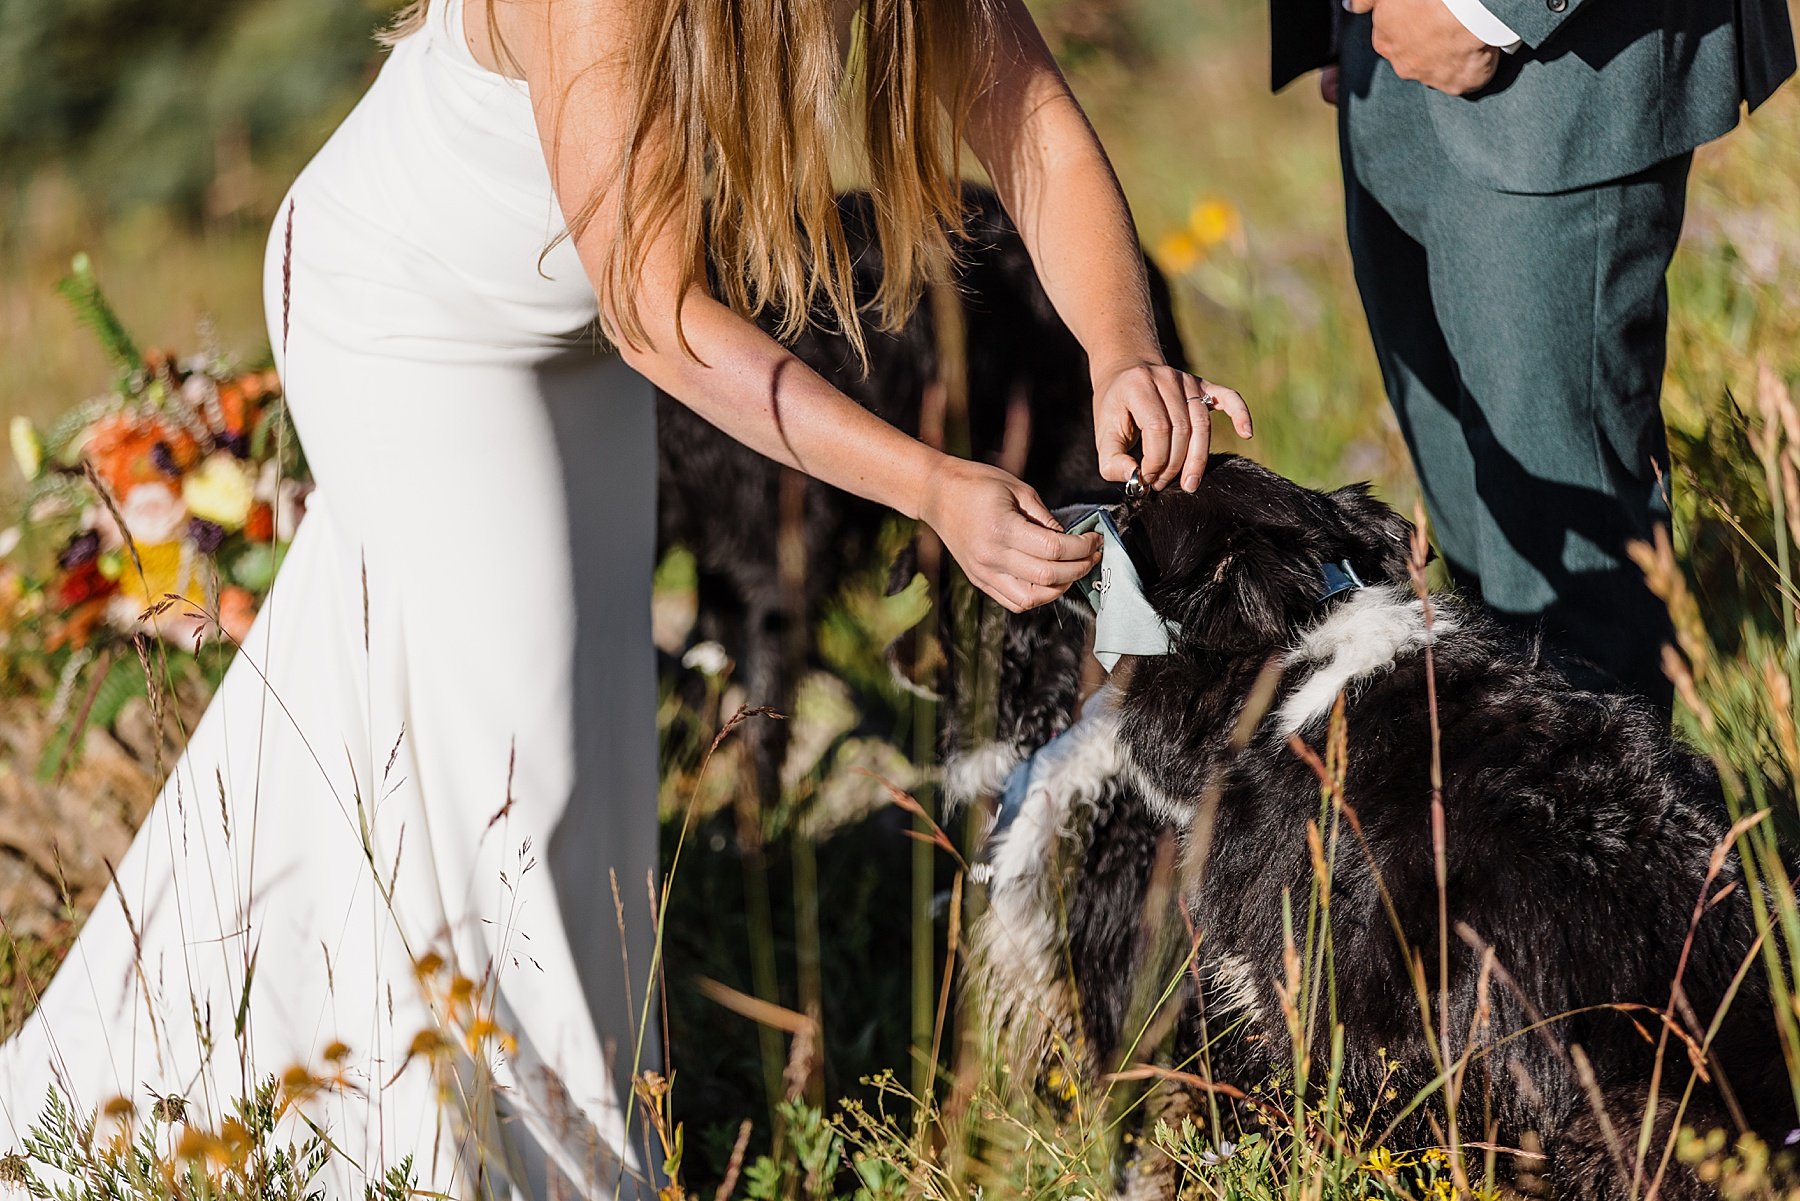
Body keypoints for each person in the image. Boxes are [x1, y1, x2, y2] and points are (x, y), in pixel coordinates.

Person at [0, 0, 1250, 1195]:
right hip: (411, 316)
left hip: (568, 335)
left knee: (577, 782)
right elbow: (658, 310)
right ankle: (497, 1170)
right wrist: (929, 484)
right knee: (520, 778)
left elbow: (1027, 118)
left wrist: (1124, 345)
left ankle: (158, 1097)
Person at [1271, 0, 1795, 712]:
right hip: (1383, 60)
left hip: (1562, 62)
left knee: (1567, 583)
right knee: (1484, 554)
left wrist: (1487, 11)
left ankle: (1614, 820)